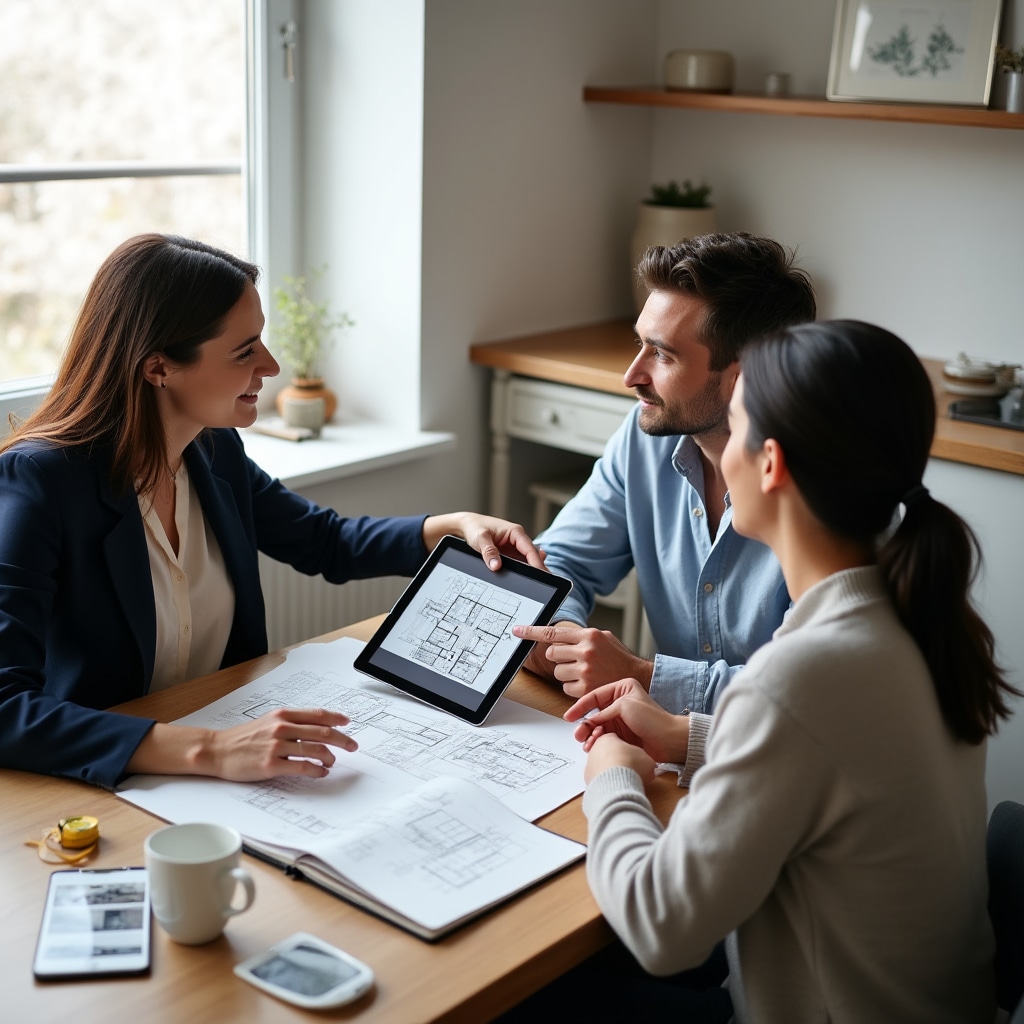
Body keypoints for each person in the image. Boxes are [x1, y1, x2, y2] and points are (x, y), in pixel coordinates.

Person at [559, 320, 1017, 1022]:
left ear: (769, 464)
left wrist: (612, 775)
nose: (715, 456)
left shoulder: (798, 676)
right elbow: (846, 763)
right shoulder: (919, 616)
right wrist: (691, 738)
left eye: (732, 429)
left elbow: (661, 930)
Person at [0, 233, 543, 790]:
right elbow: (5, 707)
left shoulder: (214, 450)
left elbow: (322, 540)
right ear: (158, 368)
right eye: (244, 351)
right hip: (110, 776)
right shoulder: (39, 482)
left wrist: (445, 529)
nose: (272, 364)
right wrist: (213, 749)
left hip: (231, 756)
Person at [513, 232, 816, 714]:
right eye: (640, 344)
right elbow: (557, 564)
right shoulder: (645, 435)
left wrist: (640, 676)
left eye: (664, 354)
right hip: (675, 747)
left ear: (746, 375)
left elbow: (804, 695)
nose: (631, 375)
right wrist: (566, 638)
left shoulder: (831, 489)